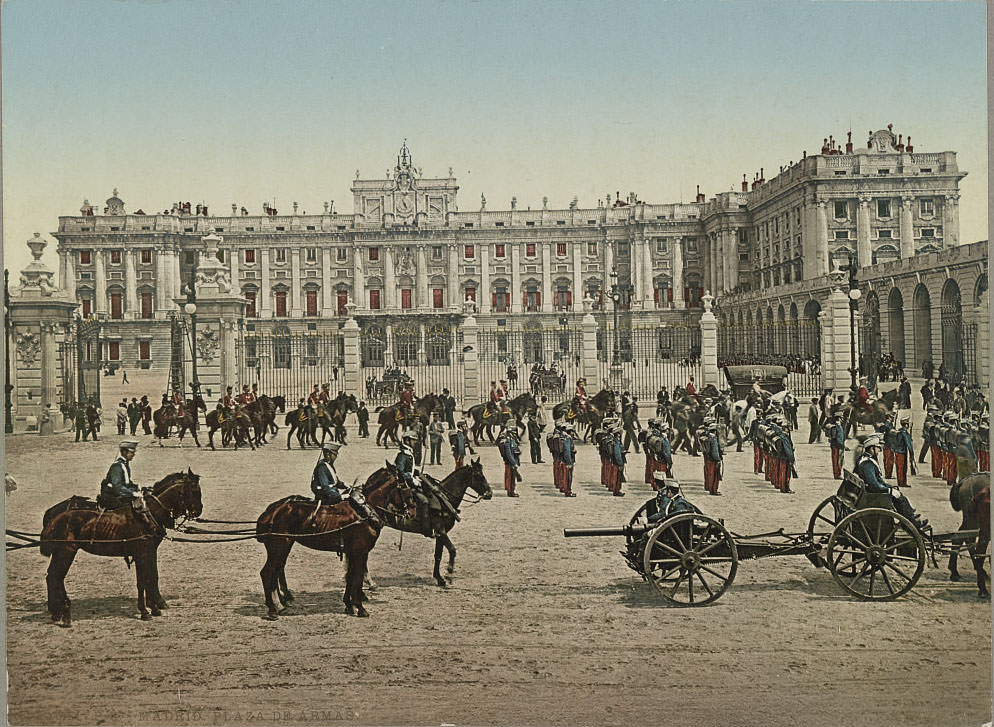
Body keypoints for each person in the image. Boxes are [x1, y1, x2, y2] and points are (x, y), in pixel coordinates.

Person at [856, 434, 928, 530]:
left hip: (870, 492)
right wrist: (888, 490)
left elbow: (877, 481)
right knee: (900, 498)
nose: (880, 450)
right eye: (878, 448)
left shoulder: (866, 460)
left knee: (899, 495)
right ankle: (911, 523)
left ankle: (909, 517)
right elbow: (874, 484)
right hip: (874, 495)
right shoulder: (867, 464)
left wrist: (888, 486)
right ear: (871, 448)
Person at [97, 440, 144, 512]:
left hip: (118, 493)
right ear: (124, 452)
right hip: (111, 496)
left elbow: (126, 481)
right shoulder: (117, 466)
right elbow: (117, 486)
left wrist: (136, 487)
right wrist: (132, 493)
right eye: (131, 452)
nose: (133, 454)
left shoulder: (125, 464)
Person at [891, 416, 916, 488]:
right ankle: (902, 483)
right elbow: (909, 444)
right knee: (902, 468)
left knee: (900, 468)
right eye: (908, 424)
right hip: (902, 452)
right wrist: (912, 454)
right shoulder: (904, 432)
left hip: (898, 451)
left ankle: (901, 482)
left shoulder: (899, 431)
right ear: (905, 424)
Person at [497, 427, 522, 497]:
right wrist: (514, 463)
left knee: (511, 477)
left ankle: (511, 490)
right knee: (511, 478)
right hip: (510, 462)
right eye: (513, 433)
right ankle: (511, 492)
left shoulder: (510, 439)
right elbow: (509, 454)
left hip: (511, 461)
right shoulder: (508, 441)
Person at [701, 422, 723, 495]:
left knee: (710, 474)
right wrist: (718, 459)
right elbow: (715, 451)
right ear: (715, 430)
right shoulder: (713, 439)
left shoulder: (707, 437)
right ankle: (714, 490)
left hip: (708, 458)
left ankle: (710, 489)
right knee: (715, 476)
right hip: (713, 459)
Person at [825, 414, 846, 480]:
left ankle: (838, 473)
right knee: (836, 461)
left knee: (840, 460)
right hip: (836, 446)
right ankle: (837, 474)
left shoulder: (839, 426)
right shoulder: (835, 427)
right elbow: (836, 438)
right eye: (841, 418)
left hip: (839, 446)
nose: (842, 419)